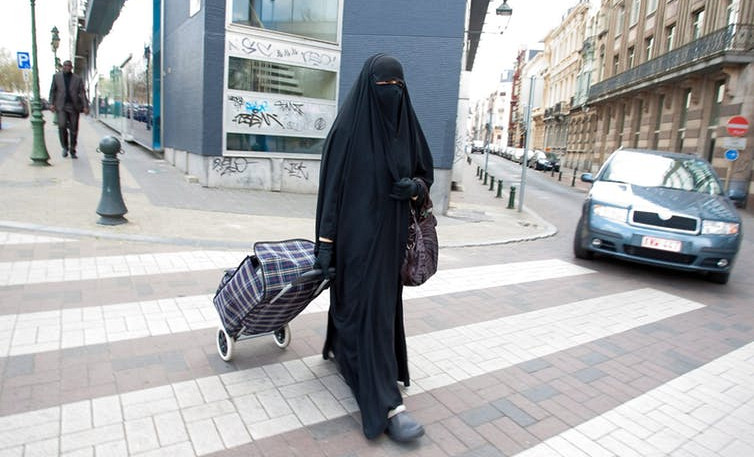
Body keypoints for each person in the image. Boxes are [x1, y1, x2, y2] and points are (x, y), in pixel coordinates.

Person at [313, 54, 434, 442]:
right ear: (369, 88)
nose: (391, 93)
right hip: (353, 243)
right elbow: (331, 194)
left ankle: (351, 358)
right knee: (362, 310)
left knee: (377, 314)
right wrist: (325, 246)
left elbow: (425, 174)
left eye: (398, 87)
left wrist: (414, 188)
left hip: (391, 243)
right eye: (384, 86)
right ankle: (386, 405)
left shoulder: (407, 128)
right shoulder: (347, 132)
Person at [49, 60, 89, 159]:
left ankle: (72, 149)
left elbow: (82, 93)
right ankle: (65, 147)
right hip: (61, 106)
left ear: (72, 67)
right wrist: (51, 103)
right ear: (62, 67)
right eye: (65, 65)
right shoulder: (56, 77)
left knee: (74, 129)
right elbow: (53, 91)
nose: (67, 67)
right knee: (62, 126)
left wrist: (85, 106)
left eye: (69, 66)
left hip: (73, 107)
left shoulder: (77, 79)